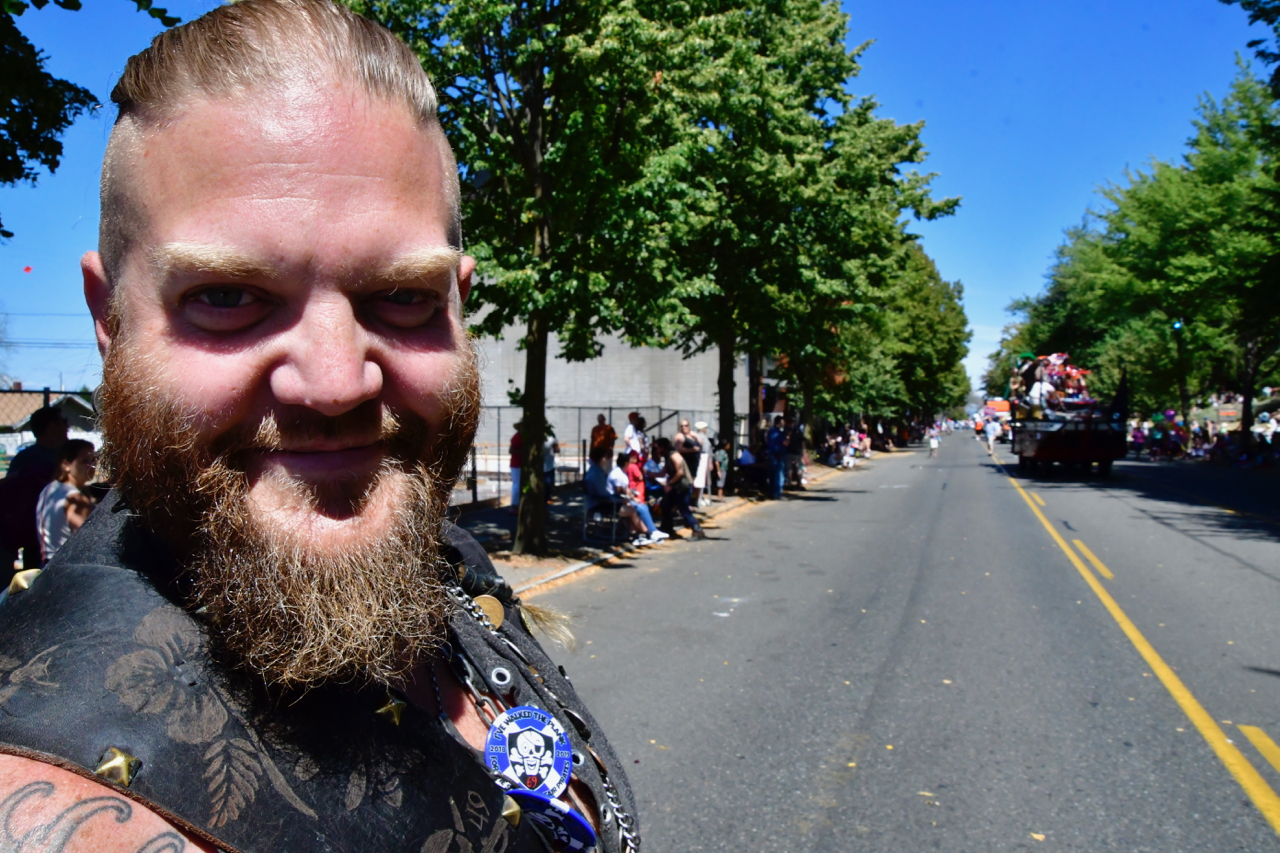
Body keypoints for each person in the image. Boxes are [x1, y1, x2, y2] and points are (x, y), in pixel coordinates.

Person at [0, 3, 638, 851]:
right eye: (227, 298)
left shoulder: (445, 565)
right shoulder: (58, 796)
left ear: (458, 301)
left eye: (403, 296)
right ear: (109, 316)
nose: (338, 384)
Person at [0, 406, 70, 572]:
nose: (68, 427)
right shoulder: (28, 459)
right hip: (35, 537)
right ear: (51, 426)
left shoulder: (67, 457)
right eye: (64, 422)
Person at [35, 439, 97, 564]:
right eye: (84, 461)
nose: (92, 466)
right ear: (66, 465)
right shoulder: (75, 498)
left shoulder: (50, 489)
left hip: (47, 563)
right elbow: (88, 544)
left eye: (93, 459)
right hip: (66, 566)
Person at [653, 437, 706, 539]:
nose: (656, 451)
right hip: (677, 486)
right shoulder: (668, 456)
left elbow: (680, 473)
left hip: (683, 486)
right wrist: (648, 474)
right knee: (665, 504)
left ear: (663, 447)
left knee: (684, 509)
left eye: (657, 448)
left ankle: (698, 531)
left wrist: (669, 484)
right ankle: (667, 528)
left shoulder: (674, 456)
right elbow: (662, 473)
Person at [607, 452, 666, 543]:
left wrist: (632, 496)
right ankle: (650, 532)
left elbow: (625, 489)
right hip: (616, 502)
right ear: (626, 463)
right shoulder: (618, 475)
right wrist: (631, 498)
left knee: (643, 506)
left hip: (620, 500)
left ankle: (652, 531)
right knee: (640, 508)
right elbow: (619, 492)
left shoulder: (620, 472)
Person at [765, 416, 787, 499]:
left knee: (772, 475)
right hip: (778, 455)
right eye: (782, 422)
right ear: (779, 422)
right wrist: (788, 437)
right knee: (779, 475)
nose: (783, 423)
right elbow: (785, 443)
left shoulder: (770, 431)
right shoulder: (779, 433)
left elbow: (767, 441)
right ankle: (777, 493)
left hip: (771, 454)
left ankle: (771, 492)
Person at [692, 421, 712, 506]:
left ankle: (697, 498)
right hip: (702, 461)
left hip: (697, 460)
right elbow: (706, 451)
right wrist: (710, 463)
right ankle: (698, 499)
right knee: (700, 481)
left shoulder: (695, 437)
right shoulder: (702, 438)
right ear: (703, 429)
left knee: (697, 481)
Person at [508, 420, 524, 512]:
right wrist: (523, 451)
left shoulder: (522, 437)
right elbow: (511, 450)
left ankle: (517, 504)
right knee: (517, 485)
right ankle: (514, 505)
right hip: (516, 464)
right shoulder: (517, 437)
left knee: (518, 485)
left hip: (519, 464)